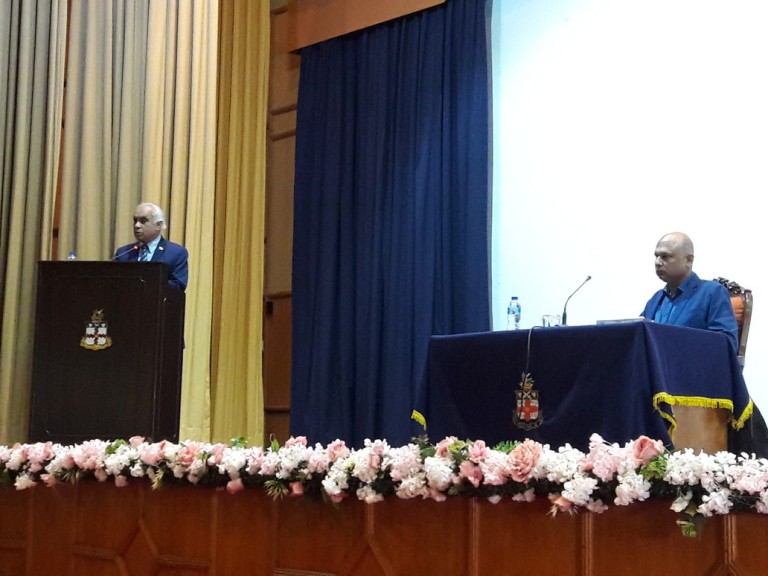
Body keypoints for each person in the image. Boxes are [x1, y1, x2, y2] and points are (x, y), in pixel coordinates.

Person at [641, 231, 738, 353]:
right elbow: (639, 337)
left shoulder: (713, 292)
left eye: (665, 256)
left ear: (688, 260)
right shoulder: (656, 298)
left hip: (691, 364)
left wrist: (678, 343)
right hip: (655, 364)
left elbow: (727, 343)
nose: (658, 262)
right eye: (656, 256)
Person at [114, 202, 189, 291]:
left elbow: (178, 286)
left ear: (158, 225)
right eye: (135, 220)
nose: (137, 225)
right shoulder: (123, 253)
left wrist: (148, 282)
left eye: (143, 221)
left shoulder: (175, 253)